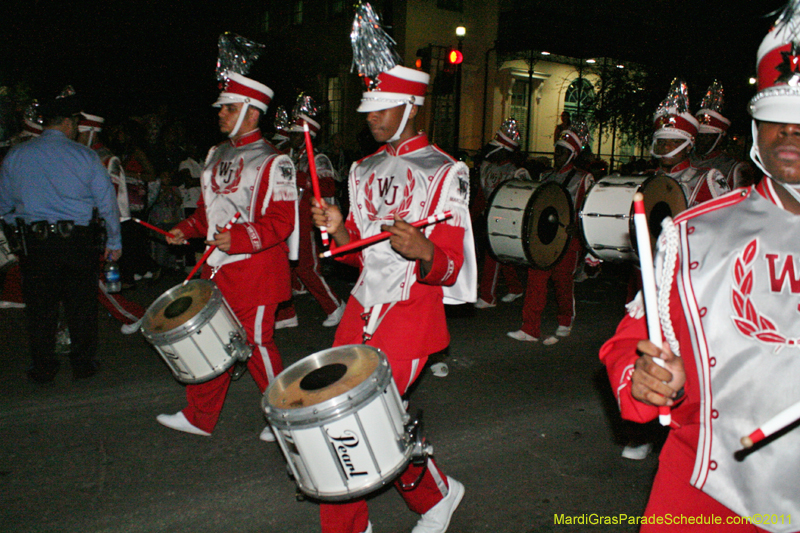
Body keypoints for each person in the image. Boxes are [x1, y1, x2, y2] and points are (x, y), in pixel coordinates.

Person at [600, 5, 800, 530]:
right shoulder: (693, 233)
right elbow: (632, 341)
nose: (788, 131)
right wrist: (643, 379)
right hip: (705, 493)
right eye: (775, 115)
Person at [311, 62, 475, 533]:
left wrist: (423, 249)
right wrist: (339, 229)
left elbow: (450, 266)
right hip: (360, 311)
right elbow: (359, 258)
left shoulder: (446, 172)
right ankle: (437, 495)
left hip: (410, 316)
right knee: (371, 421)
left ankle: (349, 525)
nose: (372, 117)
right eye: (369, 109)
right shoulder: (362, 170)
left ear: (411, 107)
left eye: (383, 108)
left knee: (348, 422)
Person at [156, 70, 298, 440]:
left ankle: (288, 419)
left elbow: (282, 222)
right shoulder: (216, 154)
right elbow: (209, 213)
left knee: (255, 345)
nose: (220, 114)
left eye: (229, 108)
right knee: (213, 340)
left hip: (257, 270)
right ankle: (200, 416)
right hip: (217, 268)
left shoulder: (273, 160)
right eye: (221, 108)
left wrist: (237, 238)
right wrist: (184, 230)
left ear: (252, 112)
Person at [0, 93, 122, 383]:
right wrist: (114, 243)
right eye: (76, 124)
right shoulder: (85, 156)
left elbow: (3, 207)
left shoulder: (16, 156)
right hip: (77, 242)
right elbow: (107, 205)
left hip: (37, 244)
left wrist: (20, 228)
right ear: (68, 123)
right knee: (81, 305)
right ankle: (83, 364)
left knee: (41, 310)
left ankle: (43, 368)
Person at [507, 122, 593, 344]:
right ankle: (530, 328)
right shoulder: (546, 176)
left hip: (568, 239)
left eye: (562, 151)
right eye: (556, 150)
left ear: (572, 154)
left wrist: (579, 228)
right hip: (544, 238)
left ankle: (565, 320)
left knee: (563, 283)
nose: (557, 155)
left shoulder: (583, 178)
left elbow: (590, 209)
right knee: (536, 279)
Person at [274, 109, 345, 329]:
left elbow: (328, 186)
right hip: (290, 218)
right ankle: (288, 311)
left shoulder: (318, 158)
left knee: (307, 267)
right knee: (283, 263)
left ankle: (335, 306)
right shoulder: (291, 155)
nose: (291, 137)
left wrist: (301, 179)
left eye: (296, 134)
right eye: (291, 133)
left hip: (308, 219)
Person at [76, 112, 146, 326]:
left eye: (78, 133)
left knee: (93, 279)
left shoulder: (107, 159)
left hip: (100, 227)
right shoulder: (80, 156)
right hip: (84, 226)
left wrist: (110, 234)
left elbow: (112, 199)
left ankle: (134, 315)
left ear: (90, 132)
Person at [472, 119, 528, 308]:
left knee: (492, 255)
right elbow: (481, 195)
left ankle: (488, 297)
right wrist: (470, 219)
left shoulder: (517, 172)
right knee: (500, 255)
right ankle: (515, 287)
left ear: (505, 150)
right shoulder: (486, 167)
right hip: (487, 218)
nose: (490, 151)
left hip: (506, 220)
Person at [650, 78, 729, 208]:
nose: (666, 147)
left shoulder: (708, 179)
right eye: (662, 142)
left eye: (675, 142)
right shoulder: (650, 179)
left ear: (688, 147)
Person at [691, 80, 755, 189]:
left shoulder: (736, 168)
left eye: (707, 136)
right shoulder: (683, 159)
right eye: (699, 135)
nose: (701, 139)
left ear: (719, 139)